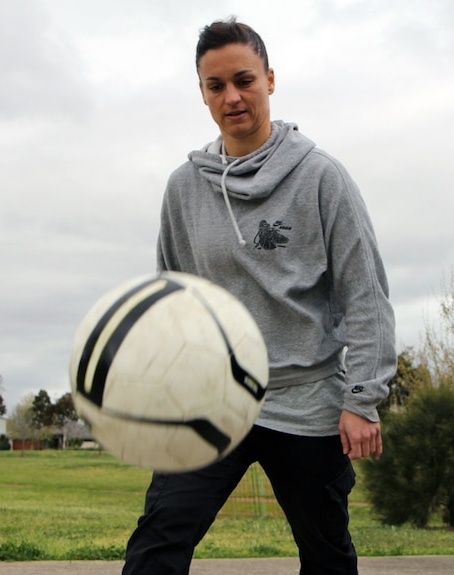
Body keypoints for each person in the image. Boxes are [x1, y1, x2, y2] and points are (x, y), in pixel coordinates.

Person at [122, 17, 396, 575]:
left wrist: (361, 398)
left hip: (306, 399)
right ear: (201, 93)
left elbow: (365, 293)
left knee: (326, 554)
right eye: (215, 85)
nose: (232, 97)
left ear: (270, 79)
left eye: (244, 80)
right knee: (157, 545)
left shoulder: (321, 177)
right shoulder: (184, 186)